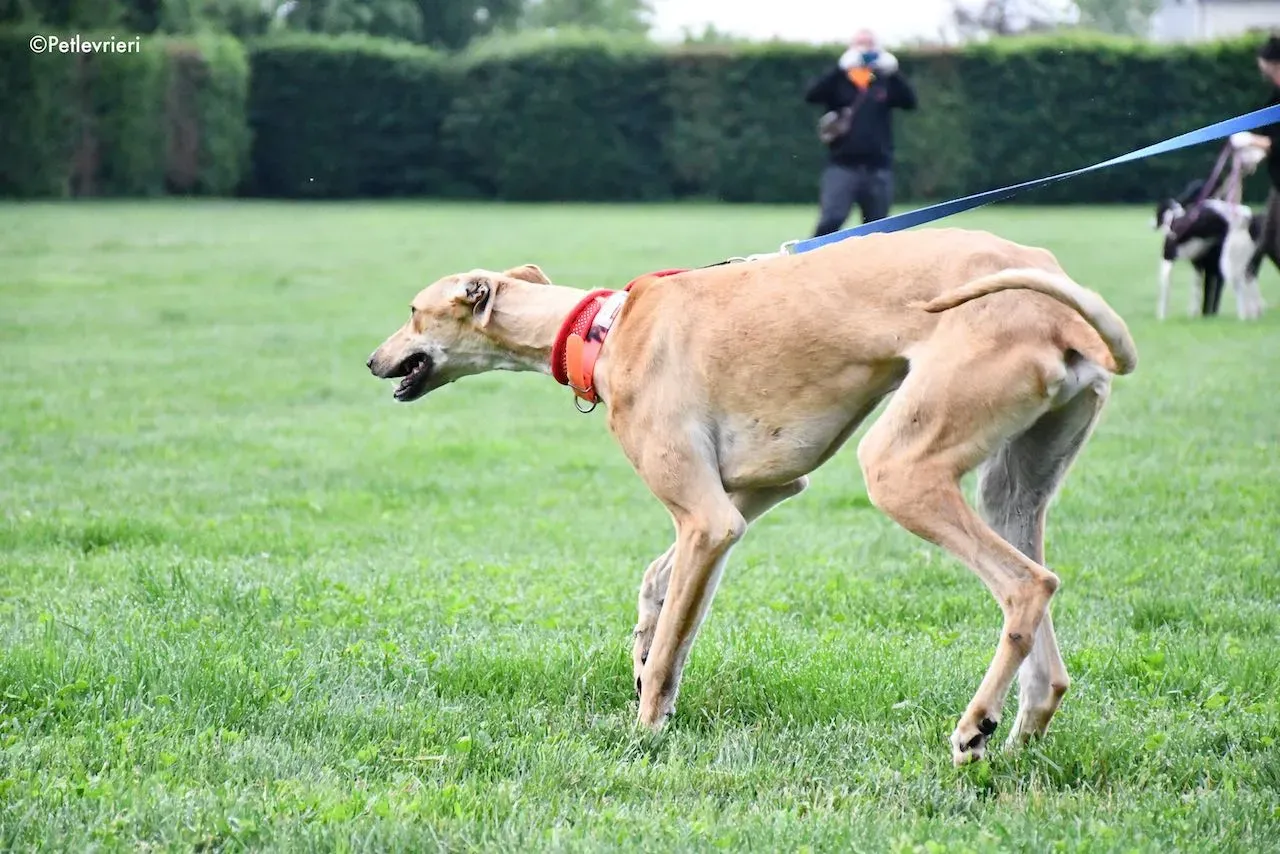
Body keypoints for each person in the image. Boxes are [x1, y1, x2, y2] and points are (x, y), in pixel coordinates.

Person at [804, 29, 918, 238]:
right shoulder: (840, 79)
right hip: (842, 166)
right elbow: (812, 95)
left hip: (878, 167)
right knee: (831, 219)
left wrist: (894, 72)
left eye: (869, 44)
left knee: (877, 228)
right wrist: (840, 68)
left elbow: (910, 102)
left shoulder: (883, 79)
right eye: (860, 44)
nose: (865, 49)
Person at [1243, 34, 1280, 285]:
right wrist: (1257, 151)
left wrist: (1249, 141)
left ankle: (1248, 274)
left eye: (1267, 70)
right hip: (1279, 181)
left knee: (1273, 241)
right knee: (1267, 238)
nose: (1266, 75)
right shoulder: (1275, 99)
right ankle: (1248, 276)